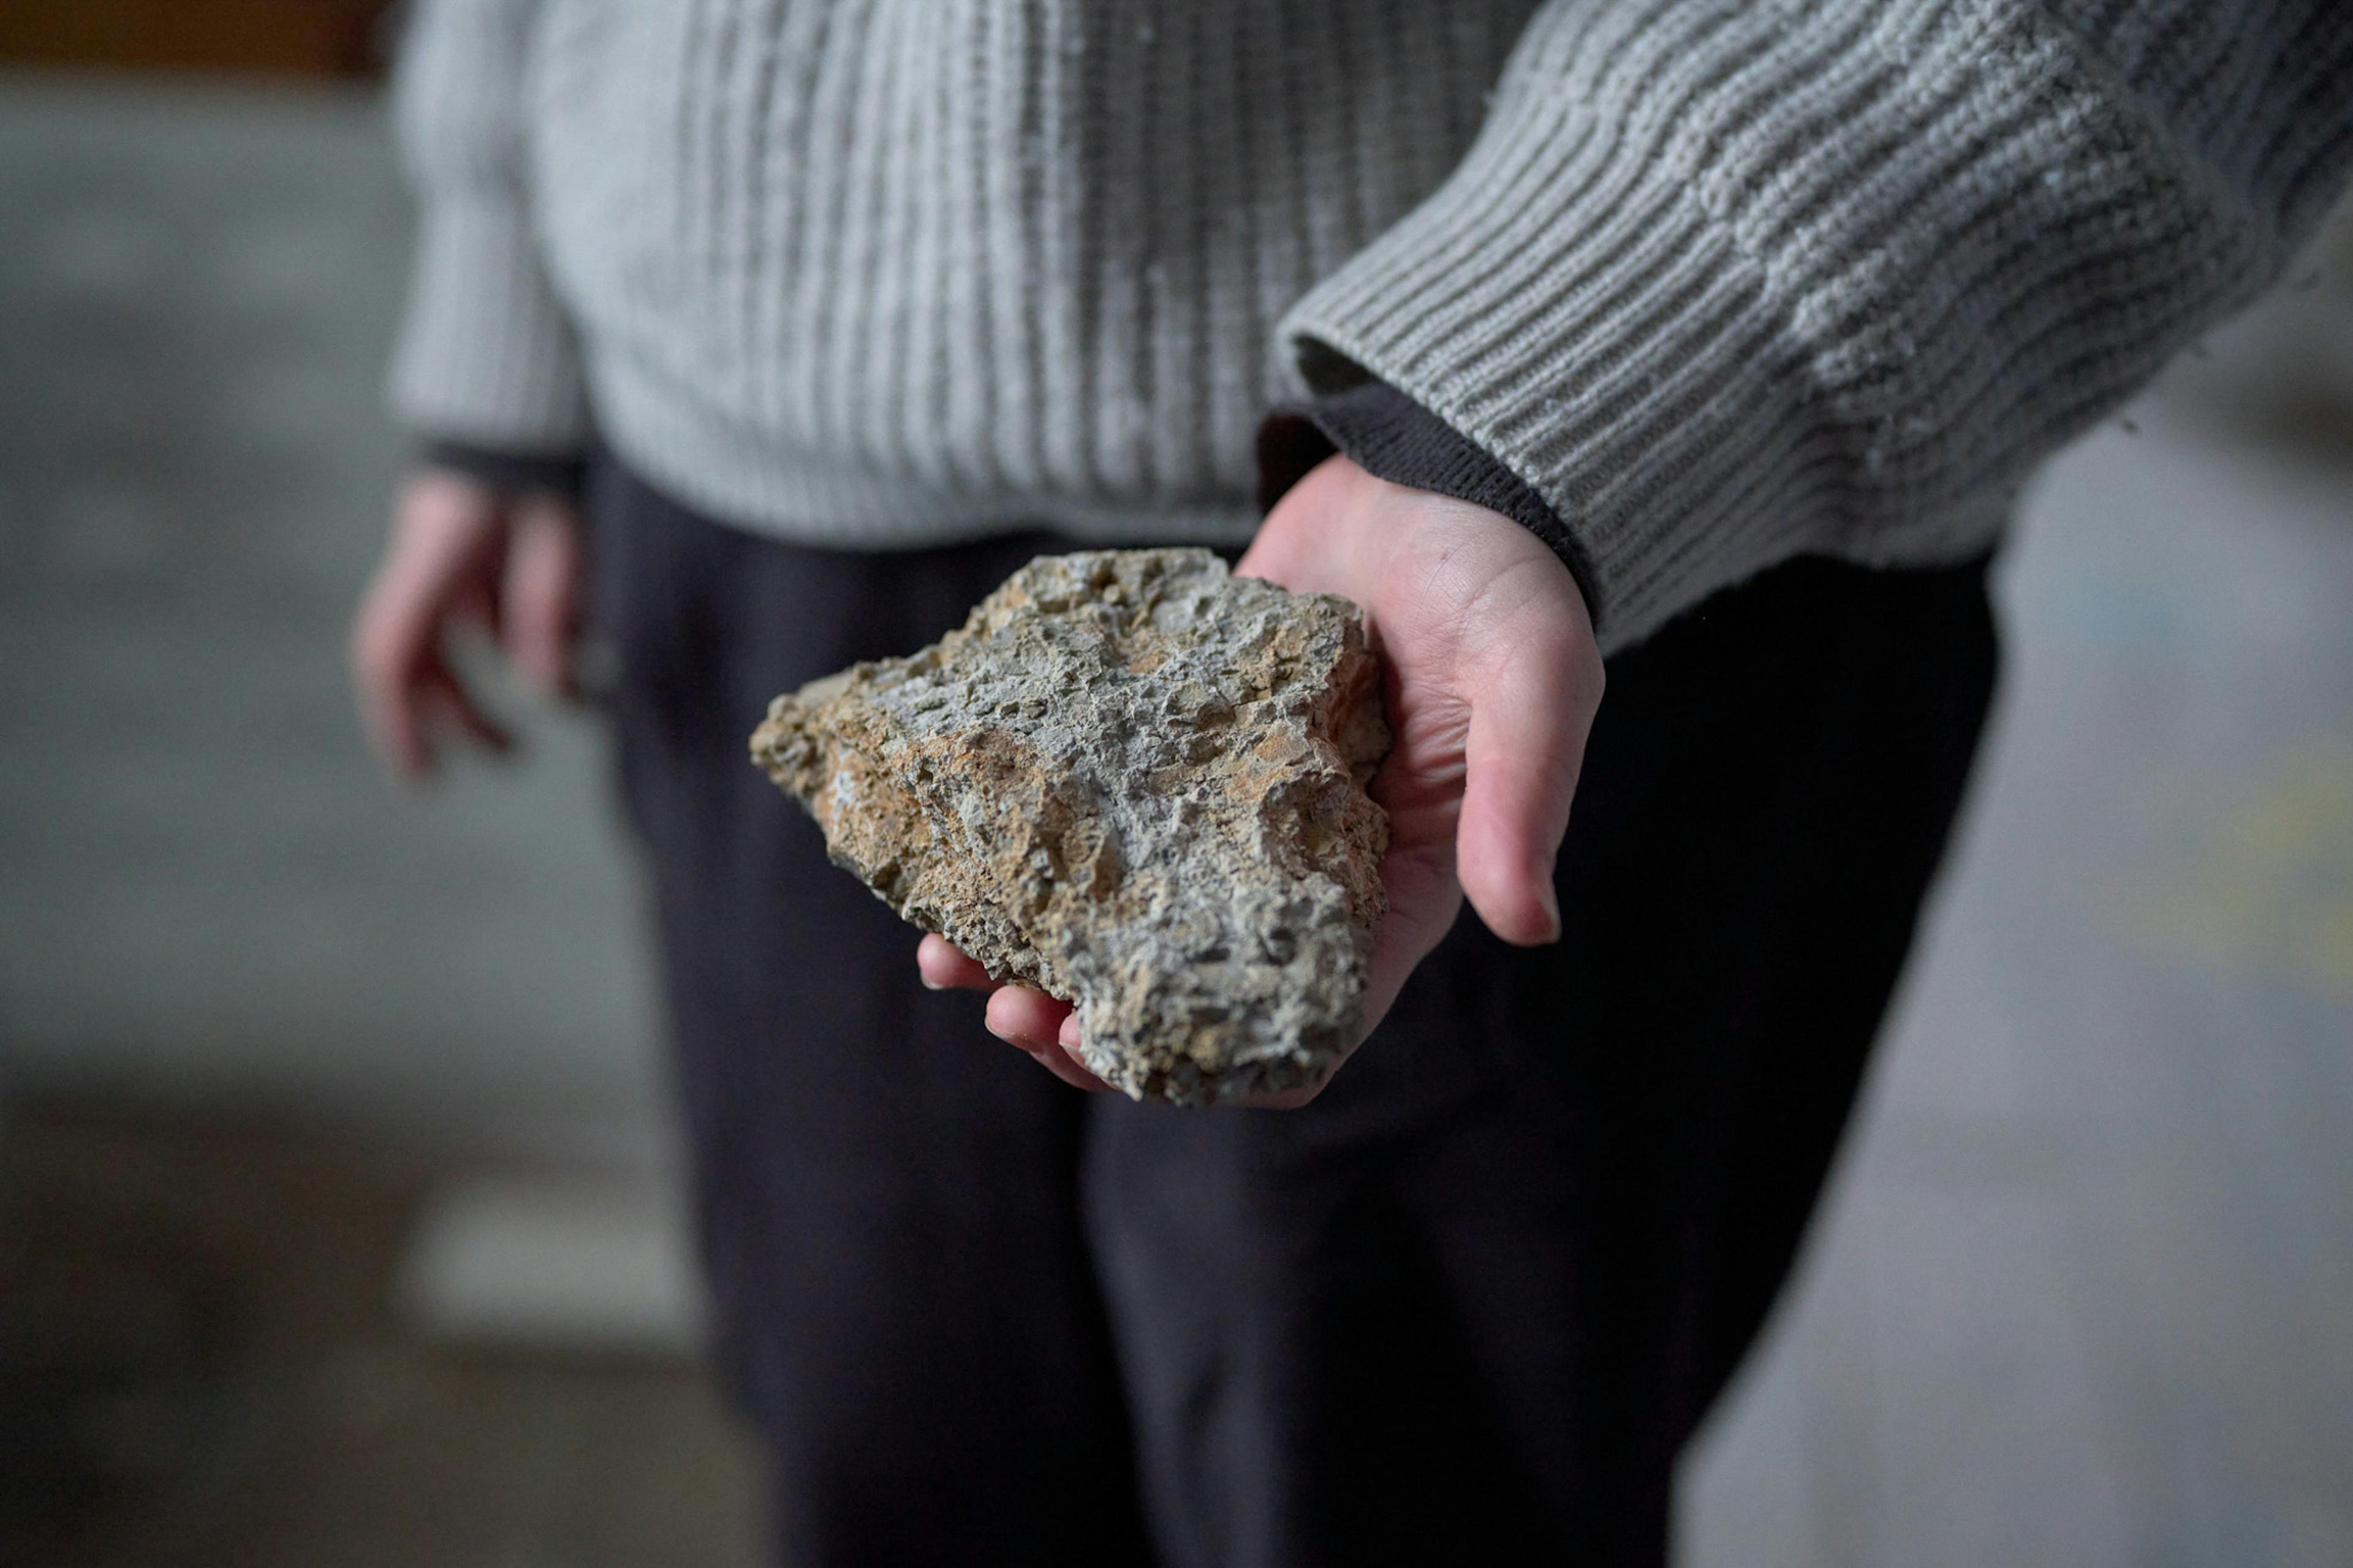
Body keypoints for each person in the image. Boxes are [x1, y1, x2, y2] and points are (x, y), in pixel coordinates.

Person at [351, 3, 2353, 1562]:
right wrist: (503, 272)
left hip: (1610, 507)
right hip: (758, 455)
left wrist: (1592, 363)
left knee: (1409, 1494)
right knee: (893, 1455)